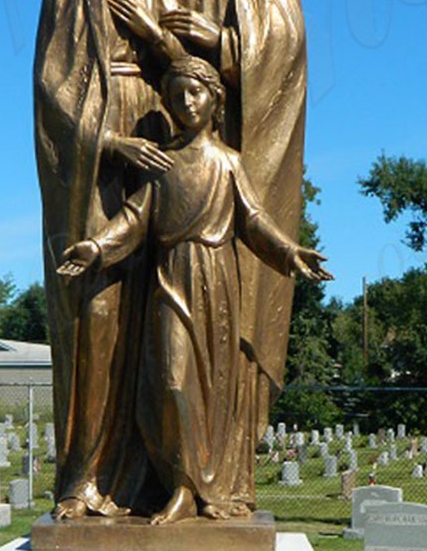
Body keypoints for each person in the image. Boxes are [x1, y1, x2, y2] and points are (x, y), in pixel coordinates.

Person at [58, 56, 331, 525]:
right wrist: (95, 248)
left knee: (208, 390)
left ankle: (194, 489)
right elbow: (133, 221)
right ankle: (181, 483)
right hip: (170, 280)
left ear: (214, 98)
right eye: (177, 94)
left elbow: (254, 220)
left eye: (196, 92)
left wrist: (289, 253)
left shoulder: (227, 163)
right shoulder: (161, 166)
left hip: (217, 284)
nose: (186, 102)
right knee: (171, 381)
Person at [157, 0, 308, 510]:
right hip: (150, 158)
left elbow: (289, 41)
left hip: (229, 165)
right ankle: (153, 479)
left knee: (223, 331)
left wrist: (222, 45)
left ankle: (221, 482)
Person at [34, 0, 189, 520]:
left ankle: (142, 478)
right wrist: (108, 142)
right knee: (95, 313)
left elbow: (192, 68)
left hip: (154, 135)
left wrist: (155, 36)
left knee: (144, 316)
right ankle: (80, 478)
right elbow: (50, 83)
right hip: (98, 146)